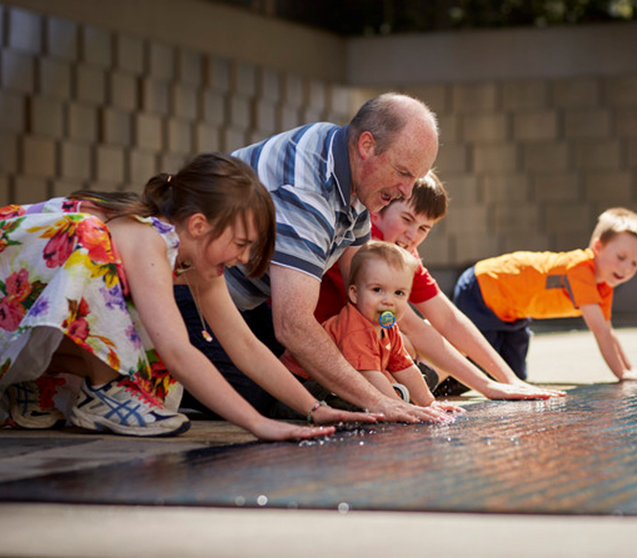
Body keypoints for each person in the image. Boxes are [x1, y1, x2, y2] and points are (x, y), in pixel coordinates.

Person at [0, 153, 378, 440]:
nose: (244, 259)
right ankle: (102, 392)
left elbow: (244, 345)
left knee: (158, 377)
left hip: (17, 329)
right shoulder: (146, 237)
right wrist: (258, 424)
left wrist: (315, 410)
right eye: (241, 244)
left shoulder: (194, 261)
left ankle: (34, 381)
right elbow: (179, 350)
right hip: (3, 305)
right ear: (197, 225)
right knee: (91, 241)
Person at [177, 92, 446, 423]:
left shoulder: (354, 172)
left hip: (232, 299)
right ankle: (166, 378)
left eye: (414, 179)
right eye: (403, 173)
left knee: (295, 377)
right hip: (190, 292)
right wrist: (377, 400)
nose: (406, 192)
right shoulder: (308, 190)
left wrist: (392, 357)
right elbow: (293, 325)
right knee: (271, 393)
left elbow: (367, 287)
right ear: (366, 145)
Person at [316, 172, 564, 400]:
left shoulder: (403, 253)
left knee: (450, 341)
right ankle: (400, 389)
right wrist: (487, 386)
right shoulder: (365, 247)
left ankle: (411, 386)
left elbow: (448, 319)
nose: (412, 235)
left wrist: (510, 380)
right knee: (403, 338)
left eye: (423, 228)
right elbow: (409, 327)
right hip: (328, 344)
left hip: (362, 345)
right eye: (406, 219)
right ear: (378, 211)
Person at [453, 207, 637, 383]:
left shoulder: (604, 286)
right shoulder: (579, 270)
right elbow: (599, 331)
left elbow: (608, 332)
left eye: (635, 263)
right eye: (621, 257)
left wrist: (630, 369)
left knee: (513, 378)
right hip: (483, 288)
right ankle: (426, 376)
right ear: (597, 247)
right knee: (471, 365)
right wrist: (622, 374)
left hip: (512, 311)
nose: (627, 268)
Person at [284, 241, 461, 415]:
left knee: (384, 388)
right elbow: (369, 375)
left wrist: (428, 402)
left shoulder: (388, 327)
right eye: (377, 290)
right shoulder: (354, 328)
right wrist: (399, 406)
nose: (388, 300)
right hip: (300, 387)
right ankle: (394, 398)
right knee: (355, 400)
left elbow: (404, 366)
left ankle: (395, 397)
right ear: (354, 293)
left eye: (399, 293)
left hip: (336, 382)